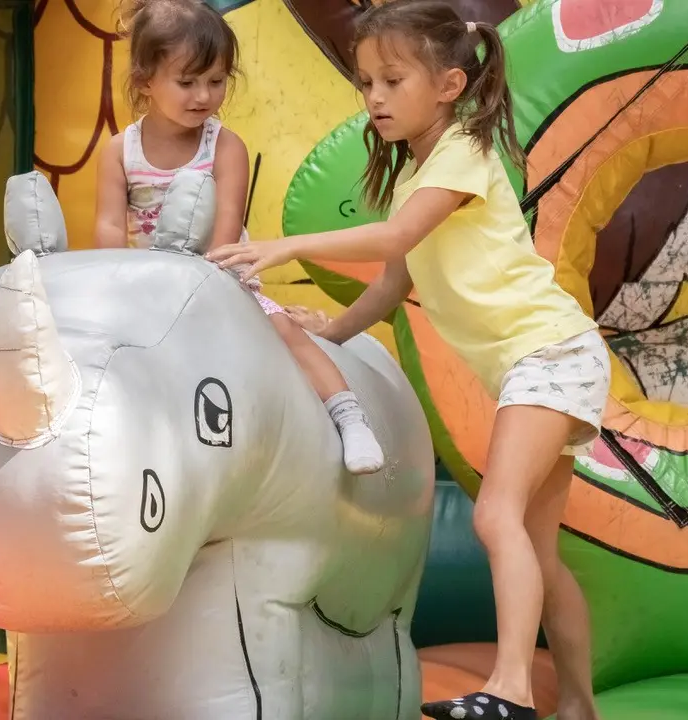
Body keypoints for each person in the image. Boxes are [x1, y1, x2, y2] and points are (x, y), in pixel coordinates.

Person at [206, 1, 607, 718]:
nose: (376, 99)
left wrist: (288, 246)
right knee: (537, 553)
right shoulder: (414, 174)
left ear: (449, 86)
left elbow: (396, 237)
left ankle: (511, 690)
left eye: (392, 81)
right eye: (365, 84)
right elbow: (393, 287)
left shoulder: (462, 153)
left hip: (551, 352)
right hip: (542, 362)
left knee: (495, 517)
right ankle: (579, 707)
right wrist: (321, 335)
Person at [92, 0, 384, 475]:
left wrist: (206, 282)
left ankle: (348, 416)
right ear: (146, 81)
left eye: (216, 80)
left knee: (283, 330)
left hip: (220, 280)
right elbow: (108, 225)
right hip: (144, 287)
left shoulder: (224, 146)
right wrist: (118, 284)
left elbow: (227, 225)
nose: (204, 95)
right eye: (187, 82)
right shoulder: (119, 150)